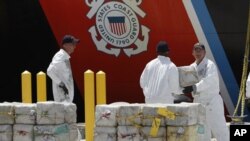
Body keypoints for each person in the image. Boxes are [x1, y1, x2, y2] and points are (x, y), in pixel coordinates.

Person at [182, 43, 229, 141]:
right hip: (199, 104)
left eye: (200, 50)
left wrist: (194, 87)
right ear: (192, 53)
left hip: (212, 102)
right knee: (201, 131)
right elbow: (186, 81)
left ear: (204, 52)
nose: (198, 52)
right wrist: (181, 88)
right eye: (196, 50)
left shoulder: (210, 65)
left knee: (219, 129)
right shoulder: (192, 67)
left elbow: (208, 81)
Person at [47, 34, 80, 102]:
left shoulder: (64, 56)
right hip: (62, 97)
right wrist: (61, 84)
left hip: (65, 97)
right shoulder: (60, 56)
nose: (75, 46)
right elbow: (49, 71)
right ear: (65, 45)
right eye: (72, 44)